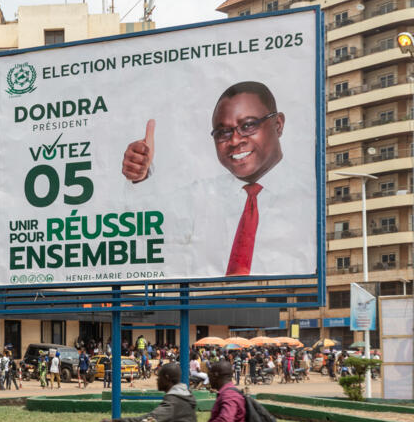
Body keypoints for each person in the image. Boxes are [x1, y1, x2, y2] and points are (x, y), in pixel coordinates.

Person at [122, 81, 314, 277]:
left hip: (287, 304)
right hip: (209, 306)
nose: (235, 140)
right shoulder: (202, 197)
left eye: (248, 125)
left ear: (278, 124)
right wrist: (140, 177)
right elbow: (145, 227)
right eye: (223, 132)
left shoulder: (312, 198)